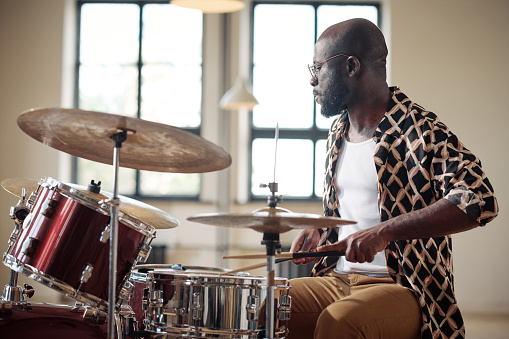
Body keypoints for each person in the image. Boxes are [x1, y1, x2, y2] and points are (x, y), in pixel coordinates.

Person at [288, 18, 498, 339]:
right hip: (338, 278)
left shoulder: (420, 130)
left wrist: (384, 233)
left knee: (339, 322)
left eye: (317, 68)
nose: (312, 81)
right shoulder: (338, 132)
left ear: (351, 66)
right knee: (271, 305)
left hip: (405, 286)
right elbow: (351, 210)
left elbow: (479, 199)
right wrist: (320, 231)